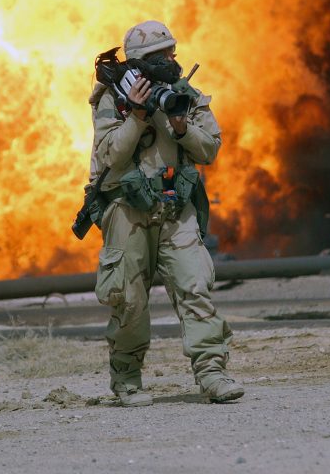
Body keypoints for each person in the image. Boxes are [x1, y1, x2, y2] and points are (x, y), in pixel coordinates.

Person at [88, 20, 244, 407]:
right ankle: (126, 379)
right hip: (128, 209)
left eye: (173, 52)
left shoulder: (185, 95)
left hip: (176, 207)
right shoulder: (114, 97)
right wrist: (137, 116)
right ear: (141, 63)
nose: (172, 60)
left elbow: (209, 149)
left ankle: (212, 374)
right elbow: (109, 155)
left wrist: (180, 127)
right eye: (163, 56)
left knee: (195, 286)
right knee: (129, 299)